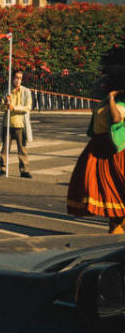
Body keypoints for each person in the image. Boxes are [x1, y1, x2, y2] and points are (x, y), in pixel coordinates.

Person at [67, 57, 125, 234]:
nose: (102, 83)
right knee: (103, 189)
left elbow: (116, 119)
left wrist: (113, 98)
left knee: (116, 189)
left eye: (106, 80)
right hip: (98, 147)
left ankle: (118, 229)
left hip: (115, 151)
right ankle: (115, 228)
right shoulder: (103, 102)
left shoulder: (121, 103)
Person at [0, 70, 33, 178]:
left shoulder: (26, 91)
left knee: (22, 148)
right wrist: (6, 105)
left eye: (20, 78)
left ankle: (24, 170)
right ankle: (3, 169)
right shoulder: (7, 91)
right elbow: (1, 107)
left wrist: (15, 108)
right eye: (16, 78)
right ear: (12, 78)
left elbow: (28, 107)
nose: (18, 80)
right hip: (7, 124)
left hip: (20, 125)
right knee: (5, 148)